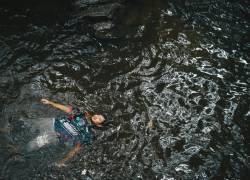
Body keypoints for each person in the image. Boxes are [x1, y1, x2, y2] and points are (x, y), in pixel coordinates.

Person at [40, 98, 105, 167]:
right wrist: (50, 102)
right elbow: (67, 109)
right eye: (98, 115)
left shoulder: (89, 133)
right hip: (52, 124)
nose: (96, 116)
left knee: (34, 144)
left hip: (56, 136)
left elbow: (77, 148)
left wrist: (63, 161)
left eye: (99, 119)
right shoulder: (82, 113)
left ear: (99, 124)